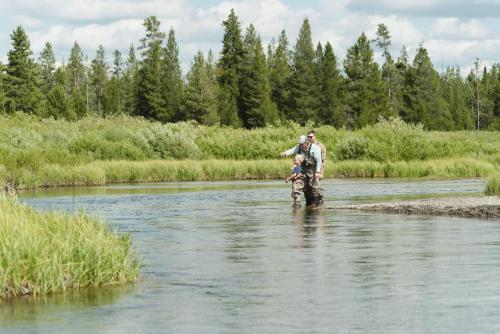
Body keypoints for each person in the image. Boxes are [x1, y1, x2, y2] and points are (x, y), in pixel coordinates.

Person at [280, 135, 324, 207]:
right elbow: (292, 150)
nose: (300, 145)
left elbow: (319, 161)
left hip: (314, 169)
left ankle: (316, 203)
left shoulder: (315, 148)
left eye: (301, 144)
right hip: (304, 169)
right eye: (299, 144)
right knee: (306, 187)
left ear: (306, 142)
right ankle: (308, 204)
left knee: (314, 186)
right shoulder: (299, 147)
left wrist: (318, 172)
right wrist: (285, 153)